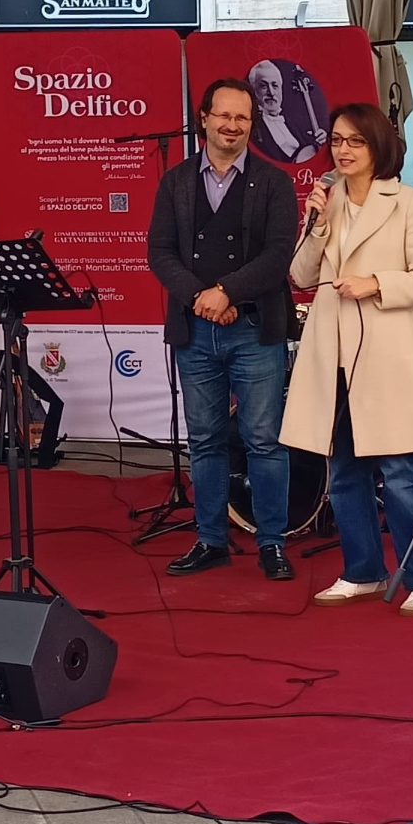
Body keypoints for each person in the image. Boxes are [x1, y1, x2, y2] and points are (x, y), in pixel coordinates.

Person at [280, 103, 413, 615]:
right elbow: (301, 276)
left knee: (403, 473)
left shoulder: (408, 201)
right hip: (332, 354)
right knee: (343, 471)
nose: (343, 150)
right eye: (336, 140)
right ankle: (363, 571)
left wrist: (376, 283)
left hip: (386, 356)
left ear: (378, 146)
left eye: (355, 141)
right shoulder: (327, 202)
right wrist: (314, 225)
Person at [147, 78, 300, 580]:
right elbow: (160, 253)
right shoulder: (175, 181)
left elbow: (279, 255)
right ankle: (210, 540)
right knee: (206, 440)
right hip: (195, 332)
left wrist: (227, 292)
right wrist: (202, 298)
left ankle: (272, 542)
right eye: (224, 115)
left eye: (242, 118)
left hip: (255, 330)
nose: (232, 126)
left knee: (264, 440)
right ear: (204, 118)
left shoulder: (274, 182)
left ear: (251, 125)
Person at [248, 59, 327, 164]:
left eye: (275, 85)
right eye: (263, 86)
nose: (271, 92)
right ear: (254, 91)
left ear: (281, 89)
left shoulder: (296, 124)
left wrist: (323, 141)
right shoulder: (252, 128)